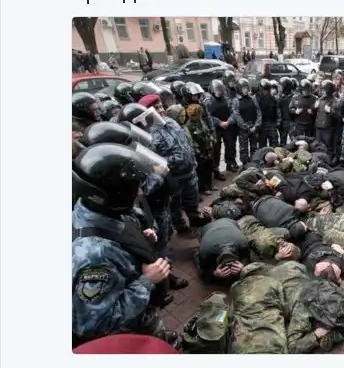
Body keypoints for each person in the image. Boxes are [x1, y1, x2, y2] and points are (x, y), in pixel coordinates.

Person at [72, 144, 178, 348]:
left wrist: (137, 238)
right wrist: (146, 282)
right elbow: (93, 323)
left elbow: (117, 226)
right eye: (133, 187)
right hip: (130, 335)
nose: (139, 191)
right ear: (112, 194)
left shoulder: (93, 208)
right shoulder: (94, 256)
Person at [120, 99, 207, 236]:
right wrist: (169, 163)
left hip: (188, 170)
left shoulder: (170, 122)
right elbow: (150, 160)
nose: (161, 110)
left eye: (161, 106)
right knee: (175, 204)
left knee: (192, 197)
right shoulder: (145, 134)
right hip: (172, 175)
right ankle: (181, 227)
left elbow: (185, 141)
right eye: (156, 107)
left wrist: (192, 158)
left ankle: (194, 218)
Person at [195, 218, 251, 284]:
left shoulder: (243, 244)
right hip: (209, 227)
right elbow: (202, 272)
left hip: (229, 222)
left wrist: (243, 268)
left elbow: (248, 258)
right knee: (198, 258)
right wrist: (215, 274)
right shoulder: (205, 252)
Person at [204, 80, 238, 176]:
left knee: (230, 146)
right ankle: (216, 169)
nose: (219, 91)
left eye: (220, 89)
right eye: (217, 89)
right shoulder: (208, 101)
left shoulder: (226, 99)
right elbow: (208, 116)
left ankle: (229, 164)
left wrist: (228, 122)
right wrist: (219, 122)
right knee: (216, 149)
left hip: (227, 126)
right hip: (216, 128)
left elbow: (233, 112)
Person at [185, 104, 216, 195]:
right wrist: (197, 151)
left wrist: (212, 139)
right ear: (192, 115)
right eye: (197, 114)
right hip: (200, 152)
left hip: (208, 149)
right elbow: (191, 140)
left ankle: (210, 185)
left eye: (200, 113)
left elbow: (207, 132)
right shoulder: (189, 126)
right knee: (201, 171)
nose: (199, 115)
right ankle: (204, 188)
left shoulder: (201, 121)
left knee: (210, 168)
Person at [232, 78, 262, 167]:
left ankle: (254, 164)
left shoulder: (253, 99)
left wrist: (256, 126)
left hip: (254, 127)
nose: (245, 90)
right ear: (239, 89)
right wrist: (246, 127)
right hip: (243, 129)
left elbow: (258, 112)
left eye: (246, 88)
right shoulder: (236, 101)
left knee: (254, 147)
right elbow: (237, 116)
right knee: (243, 149)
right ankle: (245, 165)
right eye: (243, 88)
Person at [314, 80, 341, 160]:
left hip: (329, 128)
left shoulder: (336, 101)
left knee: (329, 147)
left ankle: (329, 161)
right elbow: (313, 112)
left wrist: (330, 111)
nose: (322, 92)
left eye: (324, 90)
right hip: (319, 127)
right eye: (321, 90)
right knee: (318, 146)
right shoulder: (320, 100)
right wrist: (314, 107)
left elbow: (339, 116)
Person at [256, 79, 281, 148]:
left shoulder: (274, 99)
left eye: (267, 89)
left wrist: (278, 122)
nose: (265, 91)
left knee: (274, 145)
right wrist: (257, 125)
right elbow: (256, 112)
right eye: (264, 89)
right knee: (262, 145)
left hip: (272, 123)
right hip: (262, 124)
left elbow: (277, 110)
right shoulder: (257, 98)